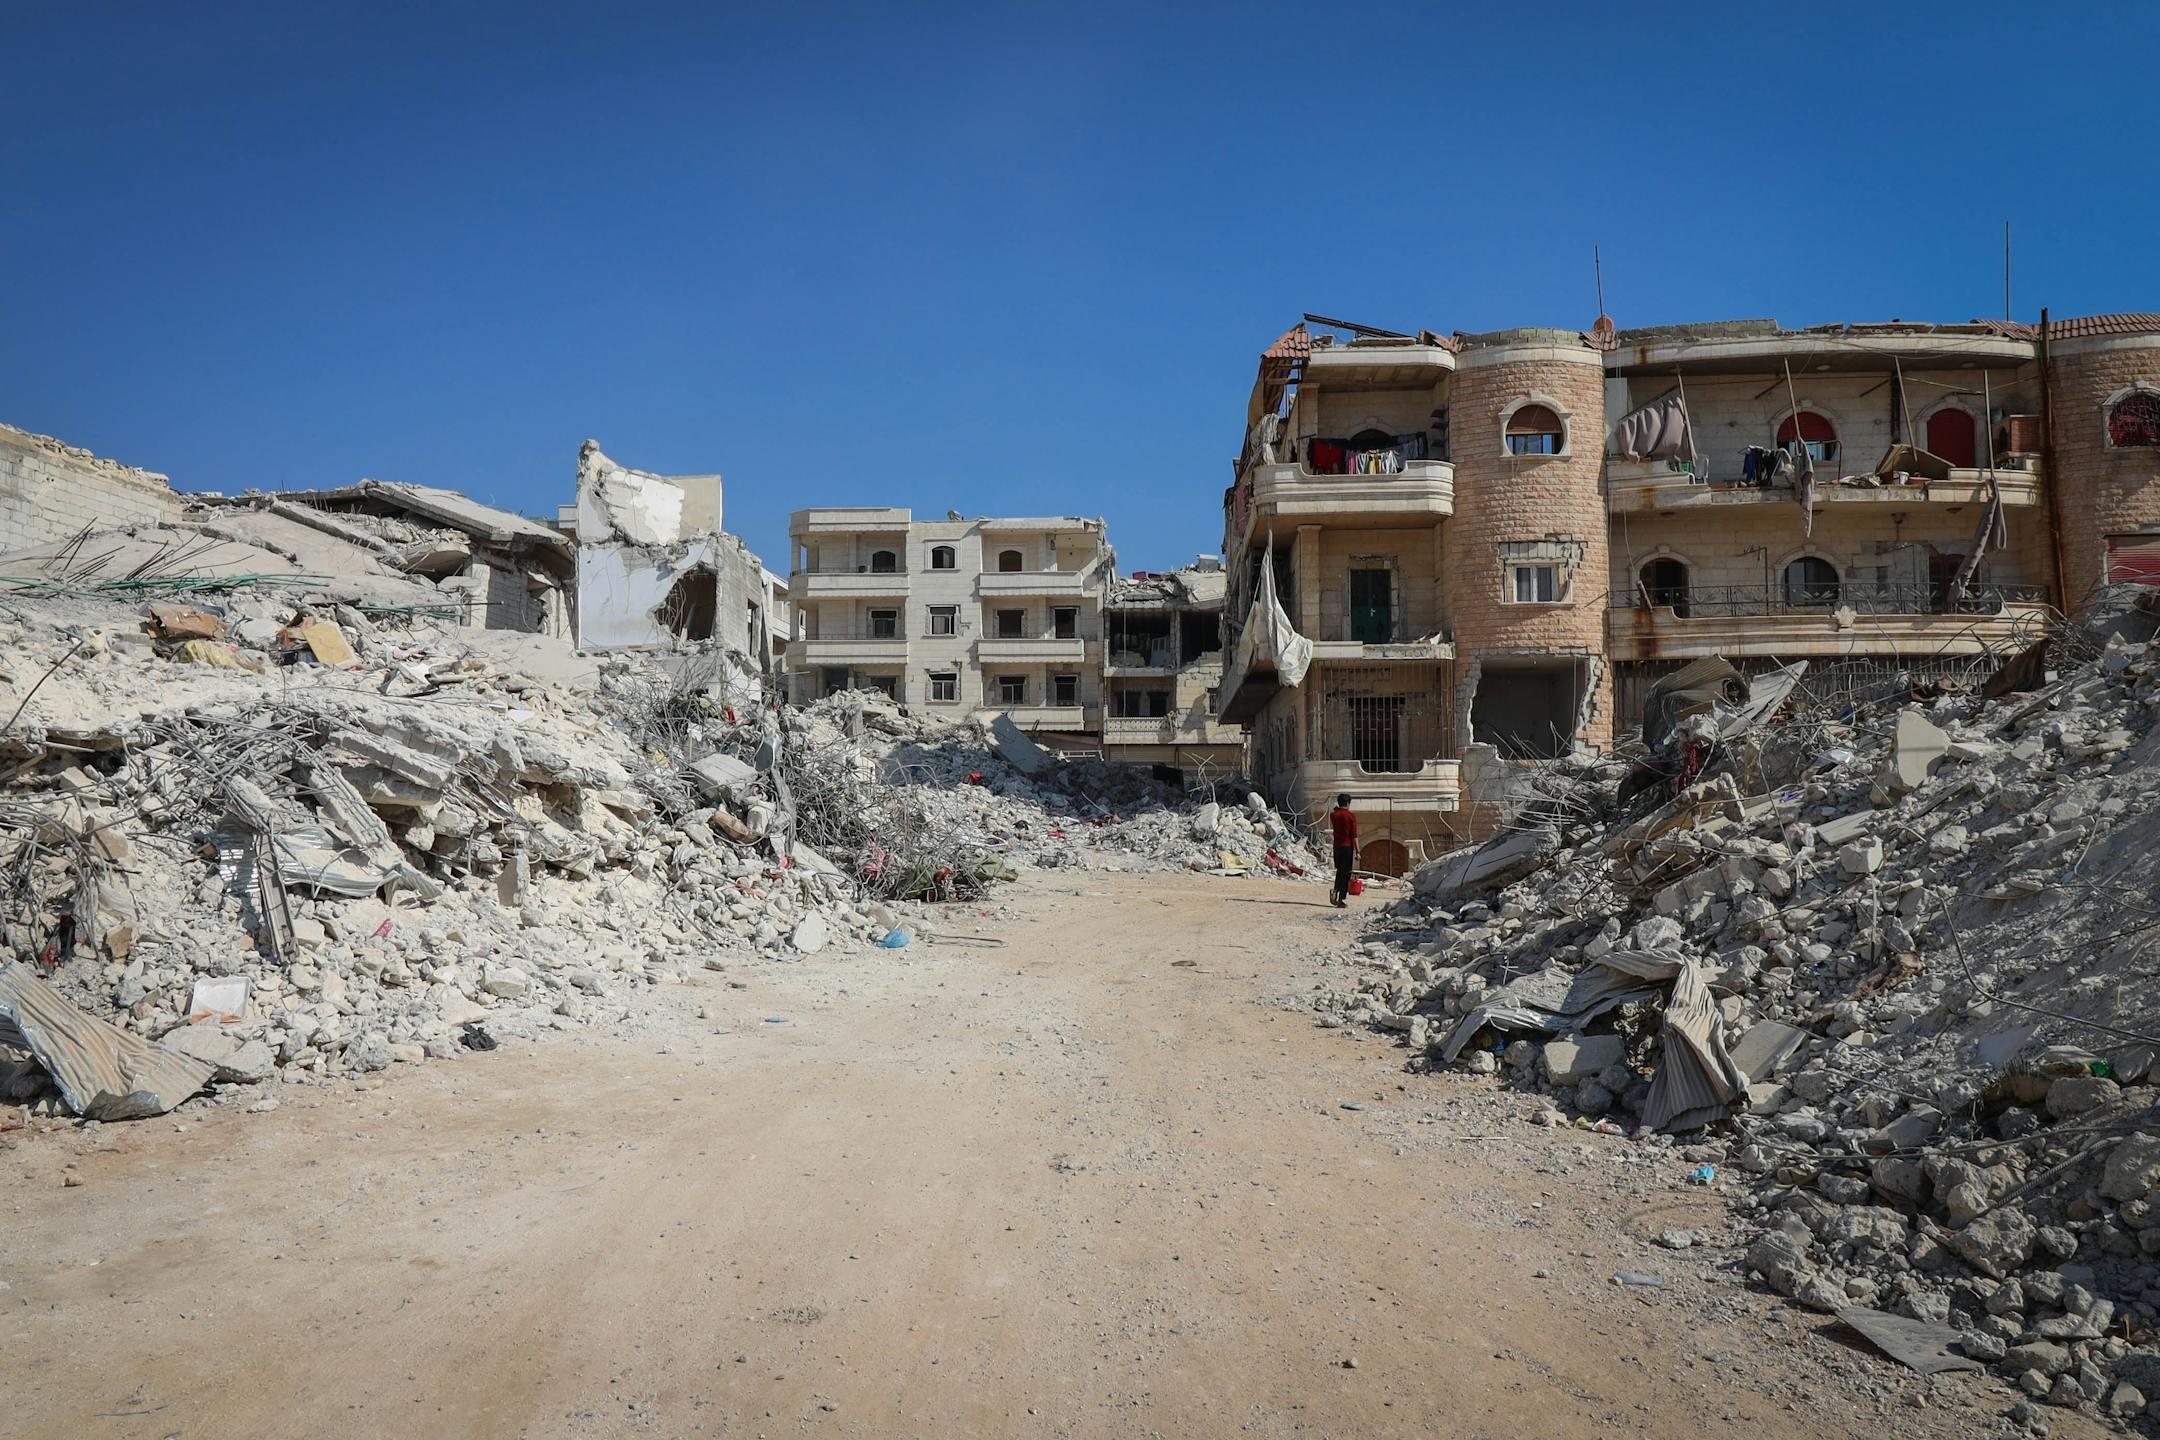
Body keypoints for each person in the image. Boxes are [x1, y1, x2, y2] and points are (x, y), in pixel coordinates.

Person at [1328, 793, 1357, 907]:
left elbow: (1335, 812)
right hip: (1347, 847)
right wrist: (1358, 851)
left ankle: (1335, 890)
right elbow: (1354, 835)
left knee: (1340, 871)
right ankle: (1341, 898)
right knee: (1346, 874)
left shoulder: (1334, 815)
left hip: (1337, 847)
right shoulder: (1351, 816)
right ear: (1348, 803)